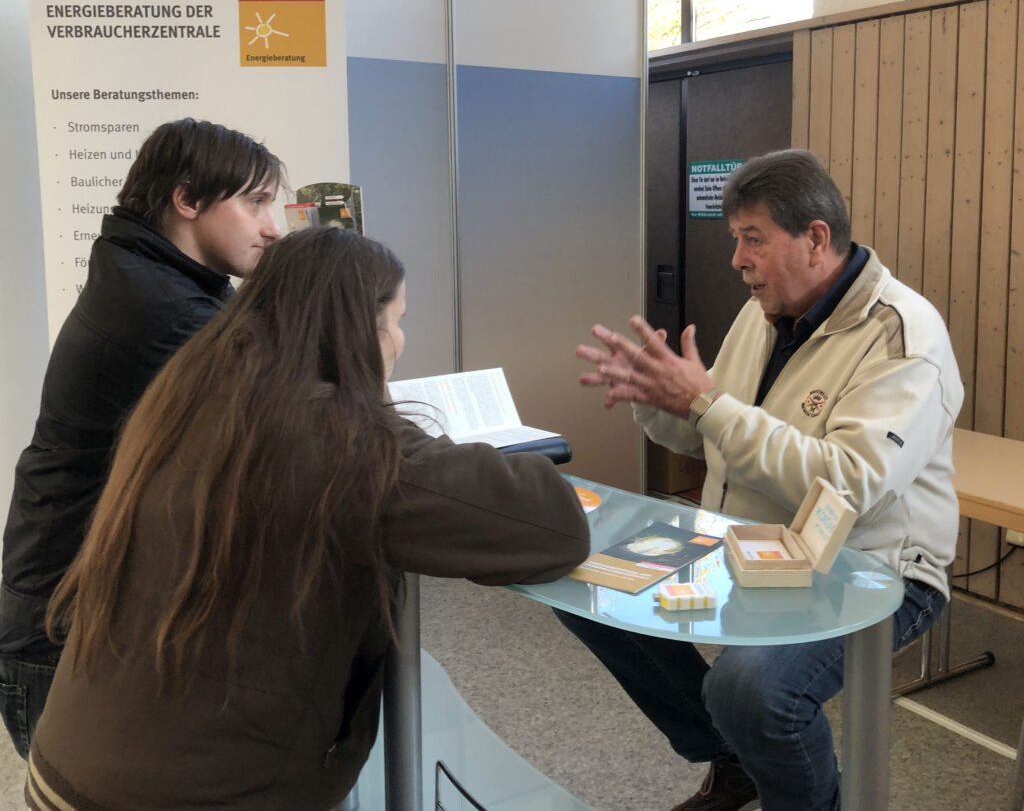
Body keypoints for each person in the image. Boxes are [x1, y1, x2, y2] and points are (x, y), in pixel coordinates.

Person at [25, 227, 590, 810]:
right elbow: (552, 525)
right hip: (186, 793)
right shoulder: (339, 442)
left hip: (71, 766)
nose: (400, 338)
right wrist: (377, 403)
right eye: (393, 322)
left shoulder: (193, 386)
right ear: (355, 331)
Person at [561, 149, 962, 811]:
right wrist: (662, 400)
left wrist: (707, 403)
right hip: (750, 542)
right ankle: (738, 759)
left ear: (816, 238)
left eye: (753, 239)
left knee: (750, 689)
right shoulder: (764, 310)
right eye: (734, 240)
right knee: (588, 585)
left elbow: (849, 487)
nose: (736, 259)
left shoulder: (902, 335)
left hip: (873, 565)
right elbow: (709, 435)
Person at [0, 118, 284, 757]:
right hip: (67, 632)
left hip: (77, 613)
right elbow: (293, 423)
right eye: (256, 202)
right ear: (187, 201)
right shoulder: (167, 310)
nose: (272, 227)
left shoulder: (156, 279)